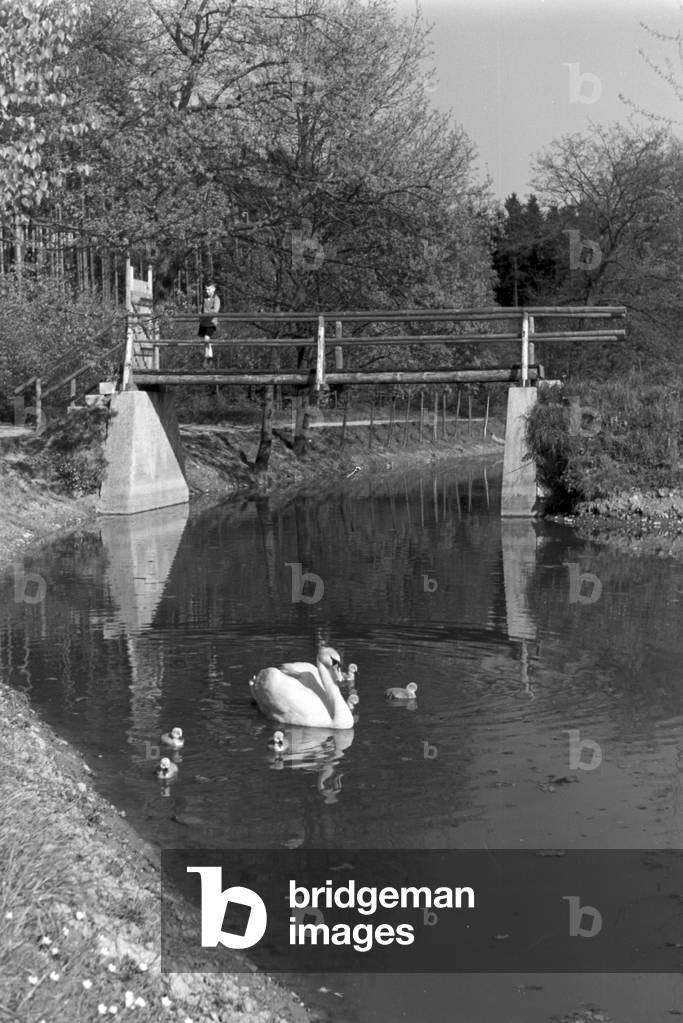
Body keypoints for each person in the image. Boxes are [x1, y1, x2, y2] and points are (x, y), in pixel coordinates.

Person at [198, 281, 220, 368]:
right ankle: (208, 357)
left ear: (214, 289)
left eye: (209, 289)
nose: (207, 291)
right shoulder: (204, 298)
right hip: (204, 322)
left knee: (207, 338)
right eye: (206, 289)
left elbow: (215, 310)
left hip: (211, 322)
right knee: (205, 340)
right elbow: (201, 309)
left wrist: (207, 312)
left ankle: (208, 357)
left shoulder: (216, 299)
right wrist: (200, 315)